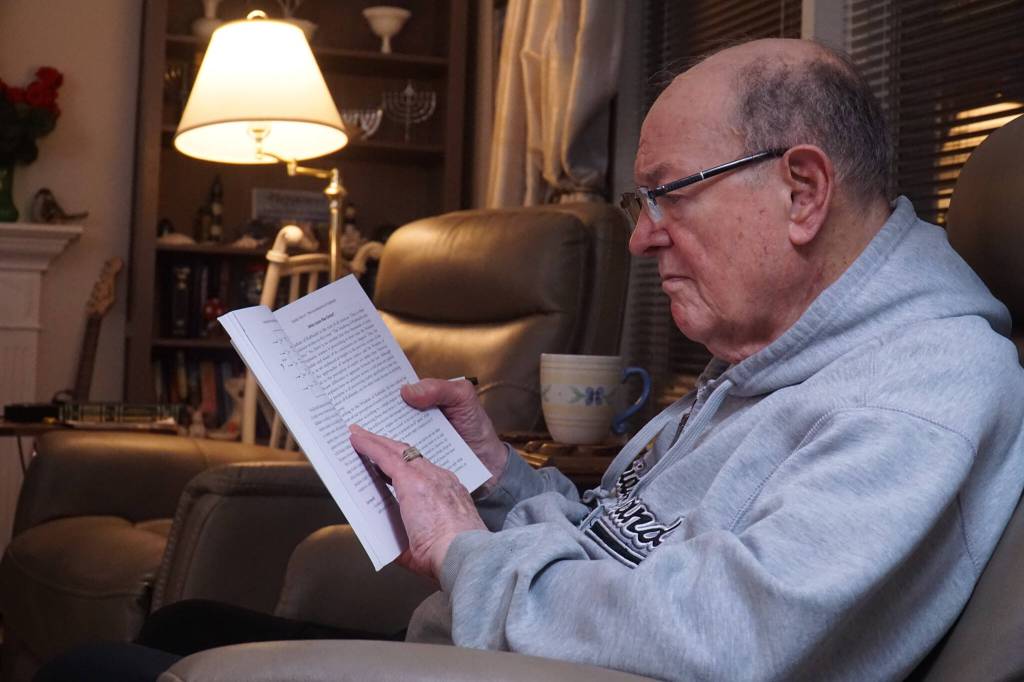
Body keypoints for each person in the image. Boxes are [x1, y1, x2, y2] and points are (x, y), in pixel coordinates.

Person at [36, 37, 1024, 682]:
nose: (641, 235)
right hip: (514, 652)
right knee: (182, 628)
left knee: (96, 670)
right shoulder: (776, 353)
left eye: (667, 195)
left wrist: (466, 551)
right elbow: (625, 544)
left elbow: (729, 638)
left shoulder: (919, 391)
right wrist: (500, 480)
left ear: (802, 190)